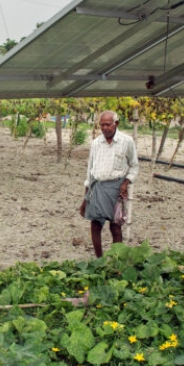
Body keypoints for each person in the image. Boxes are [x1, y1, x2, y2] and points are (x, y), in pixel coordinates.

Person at [79, 110, 139, 257]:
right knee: (95, 225)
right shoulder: (96, 143)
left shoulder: (126, 141)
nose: (105, 128)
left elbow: (134, 165)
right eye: (102, 125)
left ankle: (116, 259)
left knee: (116, 227)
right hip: (98, 187)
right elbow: (90, 171)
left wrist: (126, 183)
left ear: (116, 124)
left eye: (108, 124)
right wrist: (85, 198)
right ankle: (99, 259)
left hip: (116, 188)